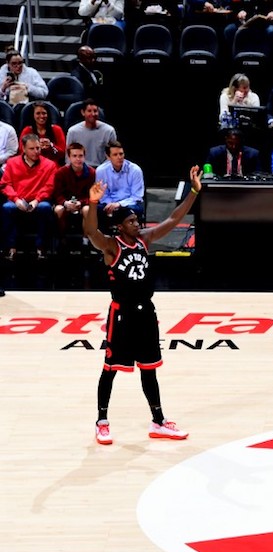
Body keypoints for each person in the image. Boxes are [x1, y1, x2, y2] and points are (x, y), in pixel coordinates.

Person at [83, 168, 202, 446]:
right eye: (132, 221)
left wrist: (194, 191)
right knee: (110, 368)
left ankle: (158, 421)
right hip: (121, 314)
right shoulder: (111, 246)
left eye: (137, 220)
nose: (137, 224)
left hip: (146, 313)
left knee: (150, 369)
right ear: (121, 226)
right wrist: (92, 203)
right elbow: (90, 231)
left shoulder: (144, 240)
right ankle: (102, 422)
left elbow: (174, 219)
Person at [0, 133, 57, 260]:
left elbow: (49, 186)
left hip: (38, 200)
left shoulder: (50, 165)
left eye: (38, 148)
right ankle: (10, 248)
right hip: (18, 199)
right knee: (7, 208)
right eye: (32, 149)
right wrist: (16, 200)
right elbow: (5, 184)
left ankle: (41, 248)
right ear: (24, 149)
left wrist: (37, 200)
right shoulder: (12, 163)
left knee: (45, 208)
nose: (36, 151)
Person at [53, 142, 96, 247]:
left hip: (83, 204)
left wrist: (80, 203)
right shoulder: (61, 172)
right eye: (74, 156)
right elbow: (57, 194)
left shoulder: (92, 173)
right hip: (65, 203)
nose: (78, 159)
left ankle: (86, 241)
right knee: (58, 209)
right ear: (69, 157)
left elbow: (92, 195)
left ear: (84, 156)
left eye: (80, 156)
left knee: (87, 209)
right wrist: (65, 203)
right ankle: (61, 240)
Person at [95, 141, 145, 222]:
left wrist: (119, 204)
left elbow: (136, 196)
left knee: (132, 210)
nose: (119, 157)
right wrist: (111, 204)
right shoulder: (101, 171)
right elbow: (103, 195)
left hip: (129, 204)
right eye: (115, 155)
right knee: (94, 210)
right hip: (109, 204)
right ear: (108, 157)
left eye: (121, 154)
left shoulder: (135, 170)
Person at [65, 99, 117, 168]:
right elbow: (68, 157)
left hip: (101, 168)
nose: (93, 114)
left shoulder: (109, 131)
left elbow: (113, 155)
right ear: (83, 112)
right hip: (79, 168)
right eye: (89, 111)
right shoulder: (73, 131)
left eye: (95, 111)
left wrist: (102, 170)